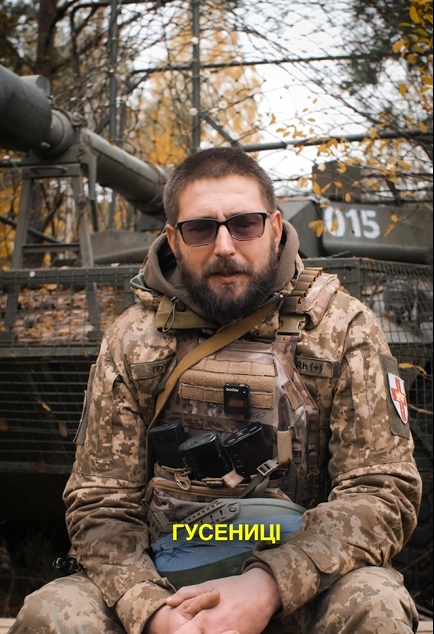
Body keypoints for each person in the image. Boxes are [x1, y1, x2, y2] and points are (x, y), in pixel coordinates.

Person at [11, 148, 421, 634]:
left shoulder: (341, 327)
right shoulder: (132, 338)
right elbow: (101, 504)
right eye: (202, 229)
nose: (224, 246)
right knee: (52, 614)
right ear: (173, 238)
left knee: (374, 602)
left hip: (303, 582)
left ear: (274, 227)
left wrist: (269, 585)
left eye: (244, 224)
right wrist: (152, 611)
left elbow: (380, 490)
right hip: (164, 581)